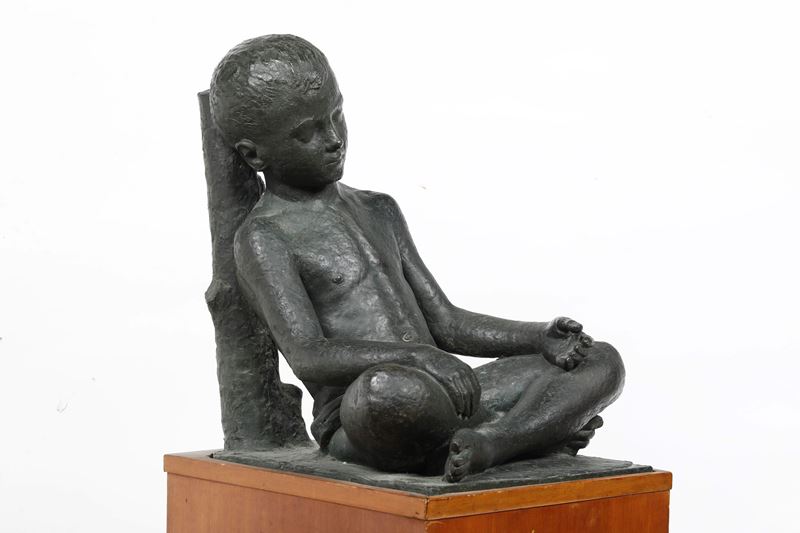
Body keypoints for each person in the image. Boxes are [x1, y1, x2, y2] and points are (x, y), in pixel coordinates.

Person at [209, 35, 625, 482]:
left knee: (600, 361)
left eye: (337, 115)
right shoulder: (264, 236)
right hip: (367, 411)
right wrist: (420, 358)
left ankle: (495, 443)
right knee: (387, 392)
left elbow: (446, 322)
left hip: (448, 392)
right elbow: (308, 355)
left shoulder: (378, 209)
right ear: (254, 154)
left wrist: (538, 337)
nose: (333, 139)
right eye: (306, 132)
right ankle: (534, 432)